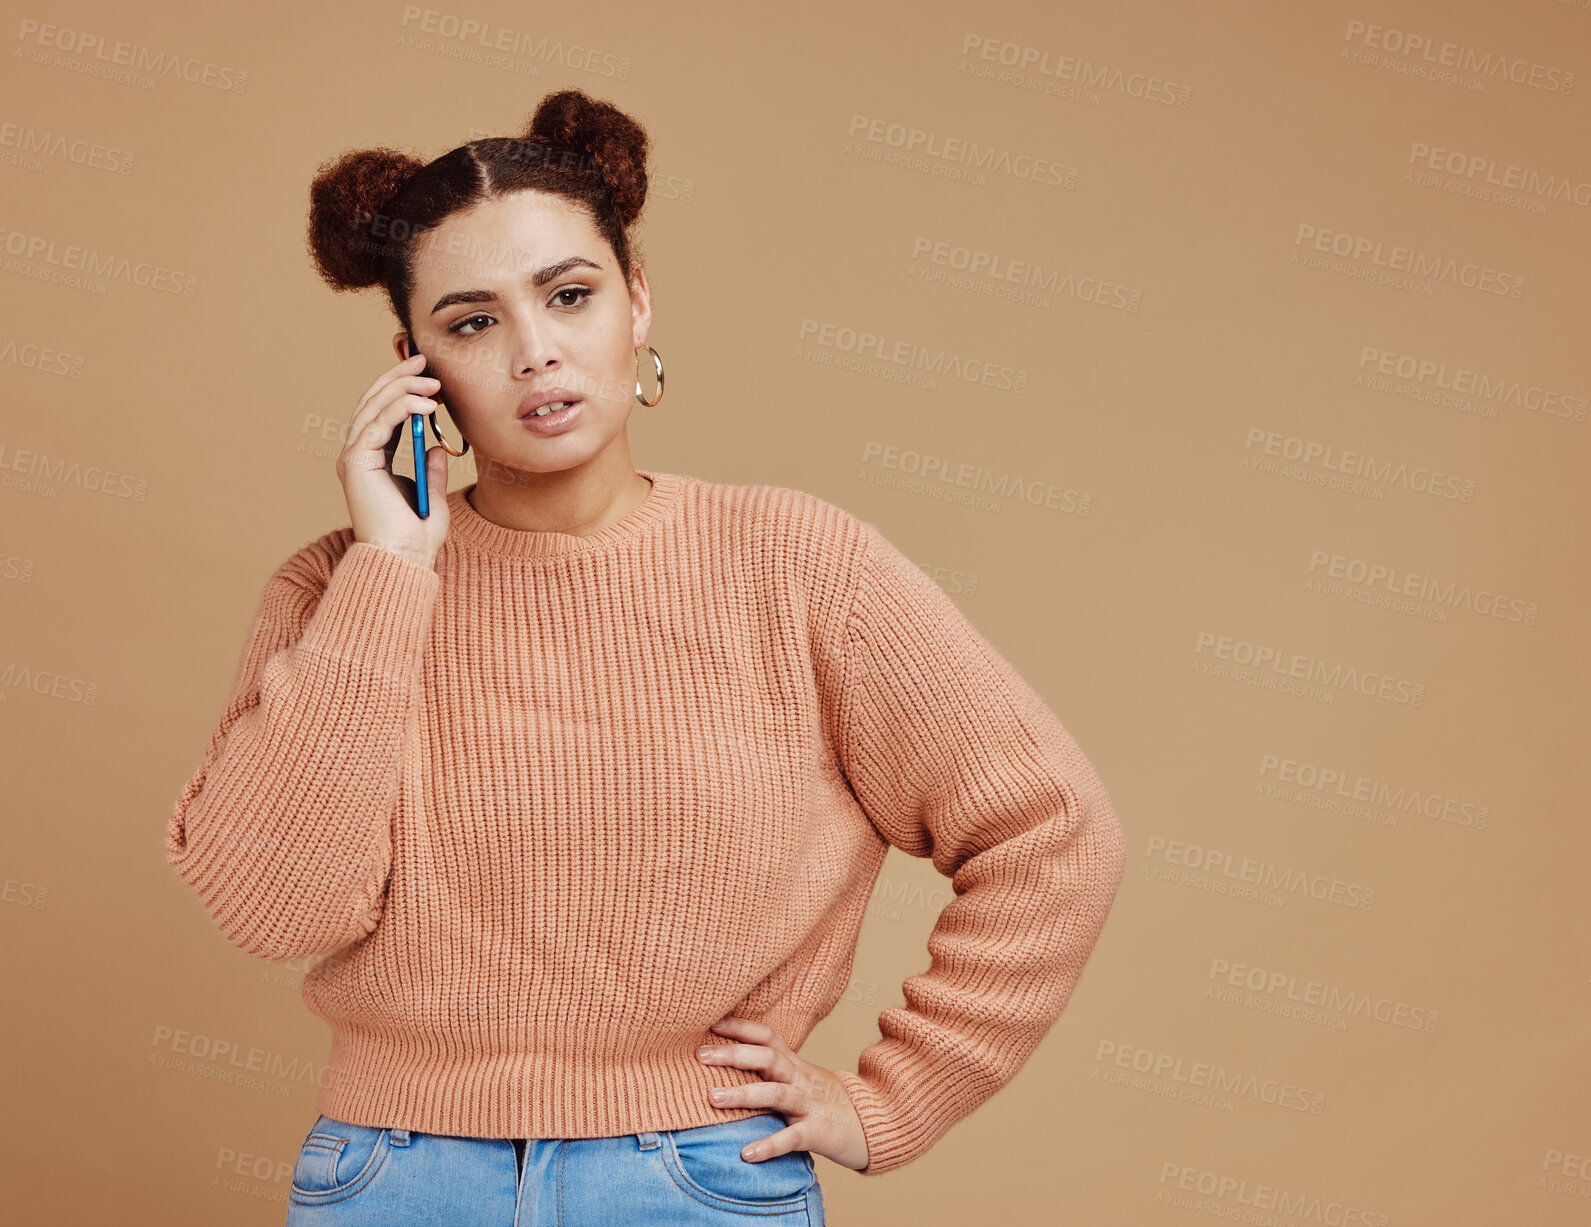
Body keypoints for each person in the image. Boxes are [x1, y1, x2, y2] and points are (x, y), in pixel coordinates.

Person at [165, 88, 1127, 1226]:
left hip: (695, 1179)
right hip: (391, 1179)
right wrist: (390, 574)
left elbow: (1050, 829)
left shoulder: (798, 563)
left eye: (569, 296)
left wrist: (896, 1097)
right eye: (472, 322)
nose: (535, 354)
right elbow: (276, 913)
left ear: (637, 303)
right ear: (412, 366)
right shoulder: (340, 589)